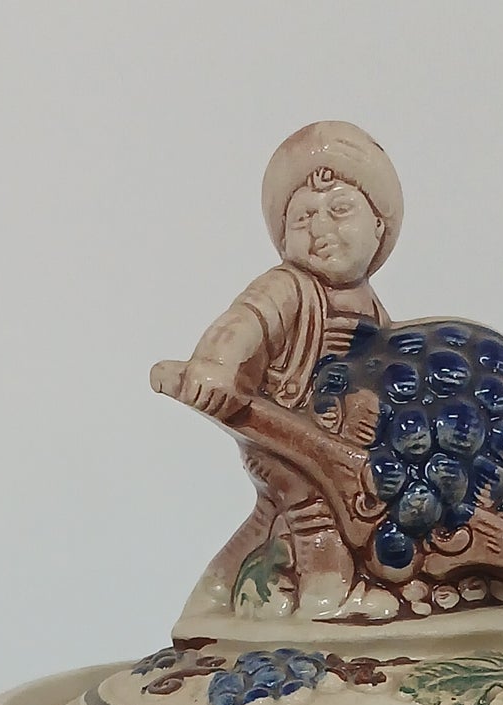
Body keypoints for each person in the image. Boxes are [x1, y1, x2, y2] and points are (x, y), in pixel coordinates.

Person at [152, 121, 405, 621]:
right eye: (303, 217)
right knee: (312, 503)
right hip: (277, 434)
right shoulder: (286, 287)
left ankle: (211, 598)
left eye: (339, 211)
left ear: (379, 225)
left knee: (270, 516)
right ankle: (326, 597)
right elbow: (242, 324)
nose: (320, 229)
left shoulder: (375, 311)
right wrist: (213, 366)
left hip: (339, 444)